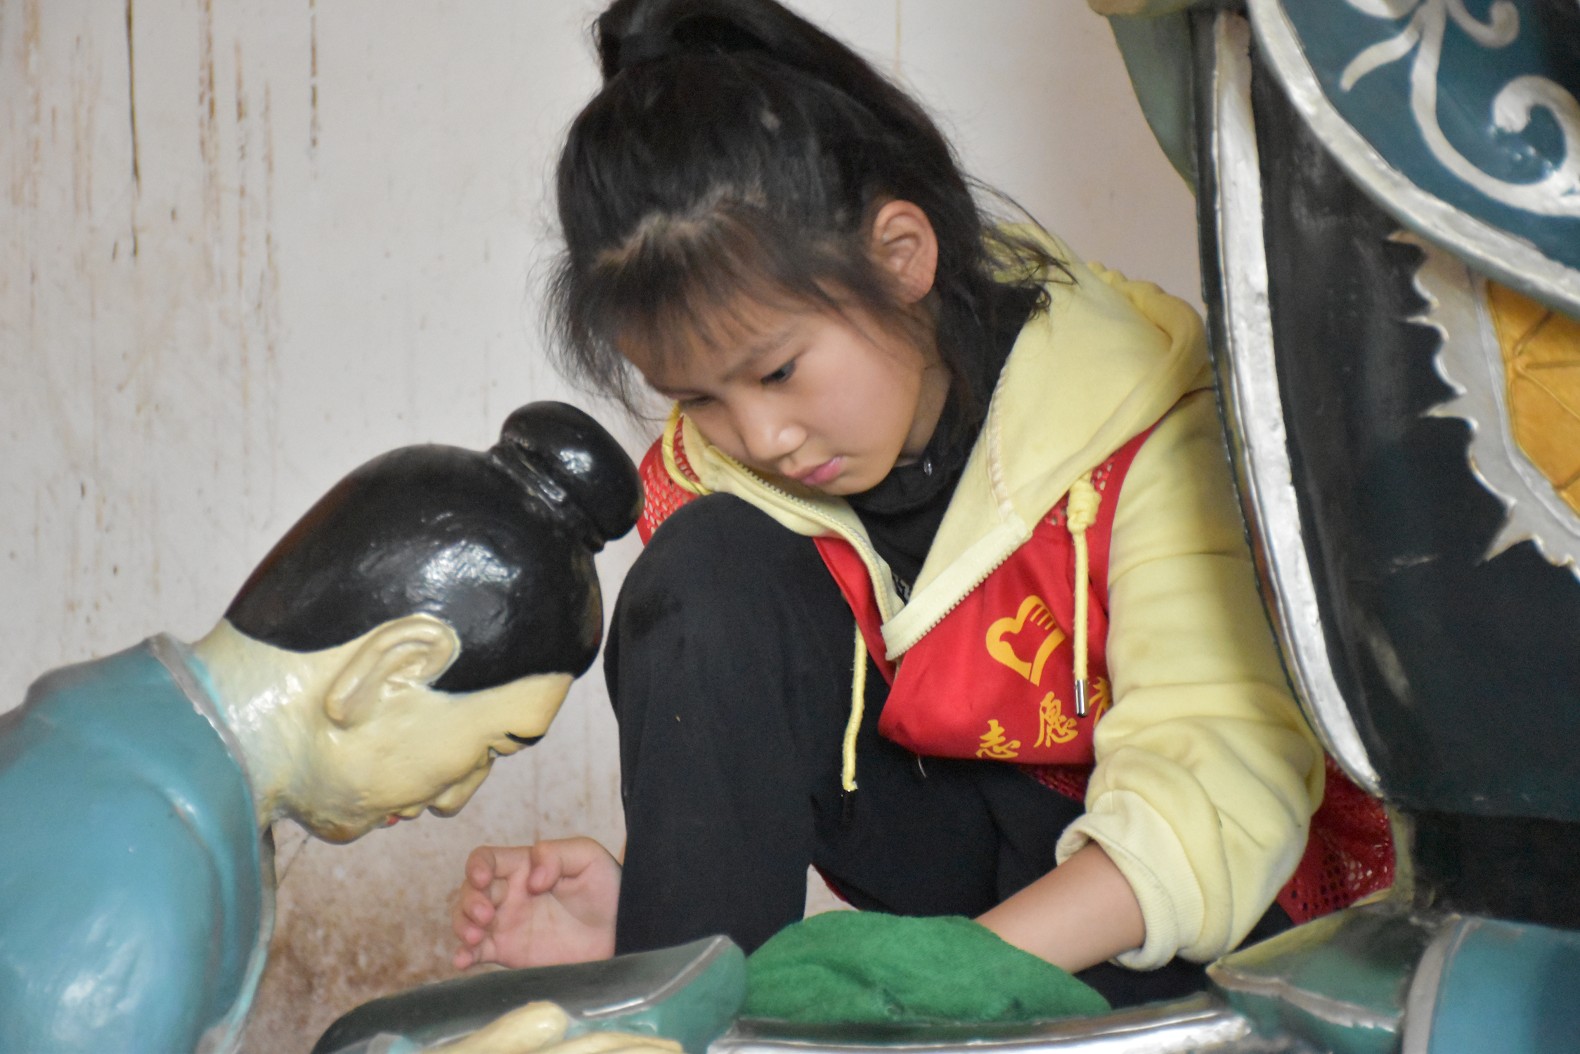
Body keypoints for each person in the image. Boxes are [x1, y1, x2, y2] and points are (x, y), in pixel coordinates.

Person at [451, 0, 1346, 1007]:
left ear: (901, 255)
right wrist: (669, 911)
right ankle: (684, 993)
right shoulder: (734, 503)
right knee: (702, 573)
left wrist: (929, 978)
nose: (760, 437)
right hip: (953, 933)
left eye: (778, 371)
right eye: (700, 398)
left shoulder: (1140, 420)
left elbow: (1213, 795)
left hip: (1159, 937)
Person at [0, 402, 641, 1054]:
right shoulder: (137, 871)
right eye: (490, 749)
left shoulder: (128, 748)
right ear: (392, 668)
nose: (455, 800)